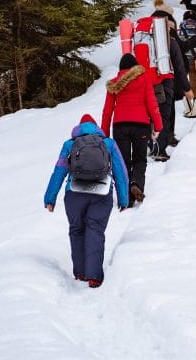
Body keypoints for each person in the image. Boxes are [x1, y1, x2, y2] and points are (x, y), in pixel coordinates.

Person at [42, 114, 129, 288]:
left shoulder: (69, 144)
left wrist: (50, 198)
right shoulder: (108, 143)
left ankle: (80, 272)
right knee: (95, 230)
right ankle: (94, 276)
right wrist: (123, 198)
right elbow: (120, 170)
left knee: (77, 230)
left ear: (78, 128)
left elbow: (59, 171)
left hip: (74, 194)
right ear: (97, 128)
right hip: (102, 193)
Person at [102, 53, 162, 204]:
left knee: (123, 162)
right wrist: (158, 126)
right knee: (140, 159)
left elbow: (107, 110)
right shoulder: (144, 79)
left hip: (120, 126)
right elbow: (152, 103)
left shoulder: (114, 84)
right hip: (141, 125)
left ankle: (127, 199)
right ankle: (136, 183)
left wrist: (104, 135)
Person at [148, 0, 191, 161]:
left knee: (151, 114)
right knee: (164, 115)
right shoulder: (169, 40)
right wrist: (187, 88)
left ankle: (152, 145)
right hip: (165, 82)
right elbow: (179, 64)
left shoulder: (146, 38)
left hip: (146, 82)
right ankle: (159, 149)